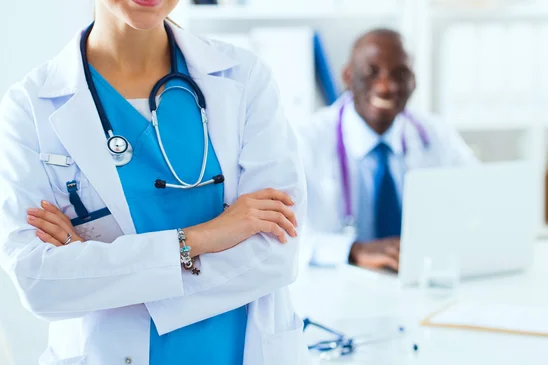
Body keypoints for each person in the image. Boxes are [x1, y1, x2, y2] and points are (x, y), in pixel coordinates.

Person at [0, 1, 310, 364]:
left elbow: (277, 250)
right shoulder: (30, 107)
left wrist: (95, 272)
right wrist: (202, 238)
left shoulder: (243, 79)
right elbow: (40, 284)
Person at [300, 28, 477, 272]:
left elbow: (478, 204)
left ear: (414, 82)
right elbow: (282, 240)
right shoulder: (306, 141)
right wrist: (352, 250)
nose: (386, 86)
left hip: (420, 278)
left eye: (401, 74)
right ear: (348, 76)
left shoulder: (437, 135)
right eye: (372, 72)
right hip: (338, 288)